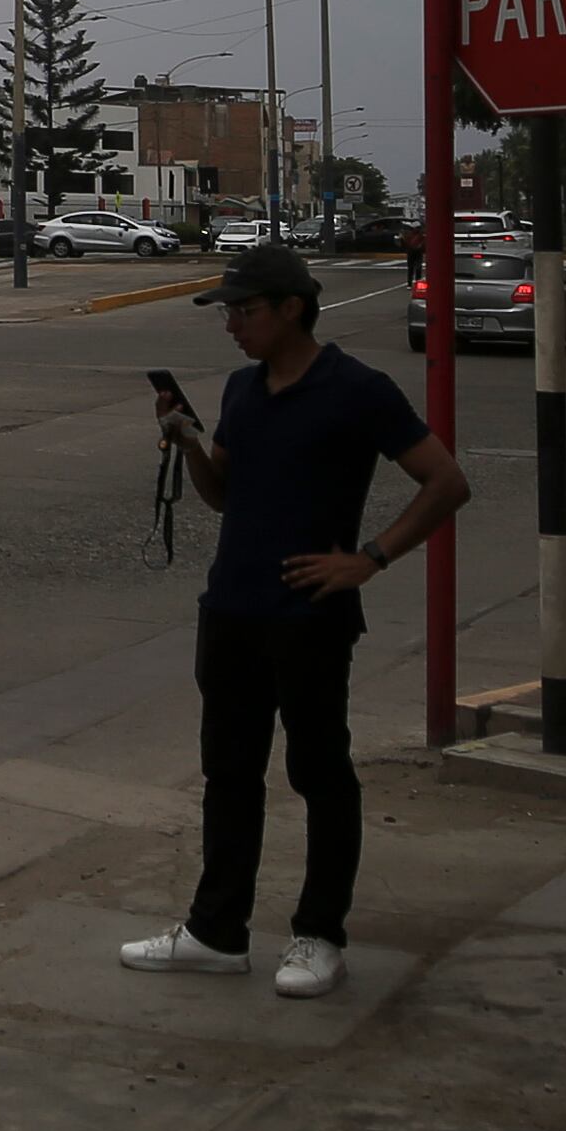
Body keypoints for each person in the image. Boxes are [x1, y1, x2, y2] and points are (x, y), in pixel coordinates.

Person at [127, 243, 472, 998]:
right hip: (232, 610)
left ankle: (320, 934)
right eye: (227, 313)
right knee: (229, 773)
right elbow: (223, 493)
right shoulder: (244, 390)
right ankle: (217, 931)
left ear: (291, 309)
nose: (233, 326)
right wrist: (187, 441)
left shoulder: (357, 389)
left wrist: (369, 557)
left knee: (318, 771)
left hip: (309, 617)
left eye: (243, 311)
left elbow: (446, 481)